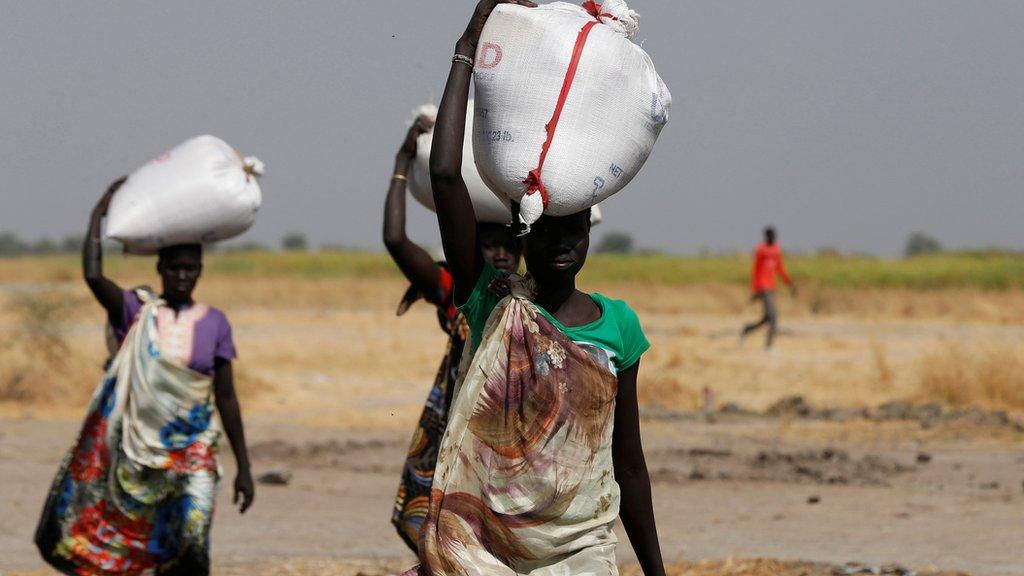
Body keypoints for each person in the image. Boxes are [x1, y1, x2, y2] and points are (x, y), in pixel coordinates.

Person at [405, 1, 666, 574]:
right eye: (549, 230)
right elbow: (447, 174)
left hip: (582, 554)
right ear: (525, 234)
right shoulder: (495, 303)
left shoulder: (619, 327)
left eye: (575, 228)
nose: (564, 243)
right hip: (485, 550)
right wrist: (469, 42)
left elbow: (630, 464)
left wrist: (656, 570)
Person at [35, 177, 254, 576]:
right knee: (143, 543)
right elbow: (92, 275)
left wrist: (244, 466)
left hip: (195, 450)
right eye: (175, 268)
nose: (183, 276)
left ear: (201, 271)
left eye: (191, 269)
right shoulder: (137, 313)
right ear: (160, 269)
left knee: (194, 539)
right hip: (138, 454)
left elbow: (227, 397)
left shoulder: (215, 323)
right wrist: (99, 211)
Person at [385, 116, 523, 552]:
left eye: (507, 244)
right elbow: (395, 240)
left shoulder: (537, 299)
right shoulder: (457, 293)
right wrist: (402, 162)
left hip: (517, 432)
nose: (499, 253)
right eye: (487, 244)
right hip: (458, 428)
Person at [740, 226, 797, 349]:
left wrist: (790, 283)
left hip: (771, 286)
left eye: (774, 235)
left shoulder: (776, 250)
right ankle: (769, 346)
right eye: (770, 235)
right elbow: (755, 270)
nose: (773, 238)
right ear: (766, 236)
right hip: (762, 286)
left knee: (767, 318)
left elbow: (780, 268)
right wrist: (755, 290)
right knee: (774, 316)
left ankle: (746, 330)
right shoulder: (761, 250)